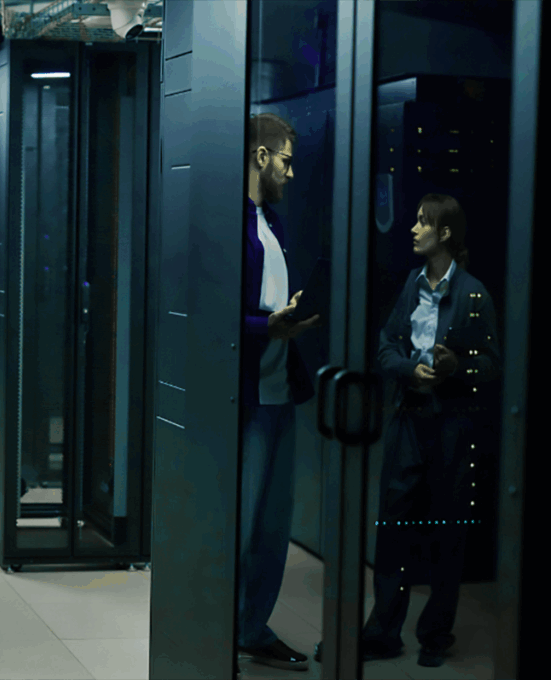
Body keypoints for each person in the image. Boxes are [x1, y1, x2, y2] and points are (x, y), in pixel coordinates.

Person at [314, 194, 501, 668]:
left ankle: (436, 634)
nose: (413, 229)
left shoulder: (474, 293)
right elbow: (385, 347)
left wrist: (455, 367)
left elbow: (493, 365)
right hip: (408, 420)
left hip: (452, 427)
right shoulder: (411, 286)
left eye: (423, 223)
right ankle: (384, 631)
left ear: (444, 235)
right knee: (393, 528)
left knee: (446, 532)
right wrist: (406, 371)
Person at [236, 113, 322, 672]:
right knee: (239, 527)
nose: (290, 173)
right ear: (261, 157)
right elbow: (215, 317)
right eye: (285, 160)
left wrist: (283, 325)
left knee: (272, 527)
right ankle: (217, 630)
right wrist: (266, 327)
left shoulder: (273, 224)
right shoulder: (233, 223)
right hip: (243, 399)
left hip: (278, 392)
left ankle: (251, 627)